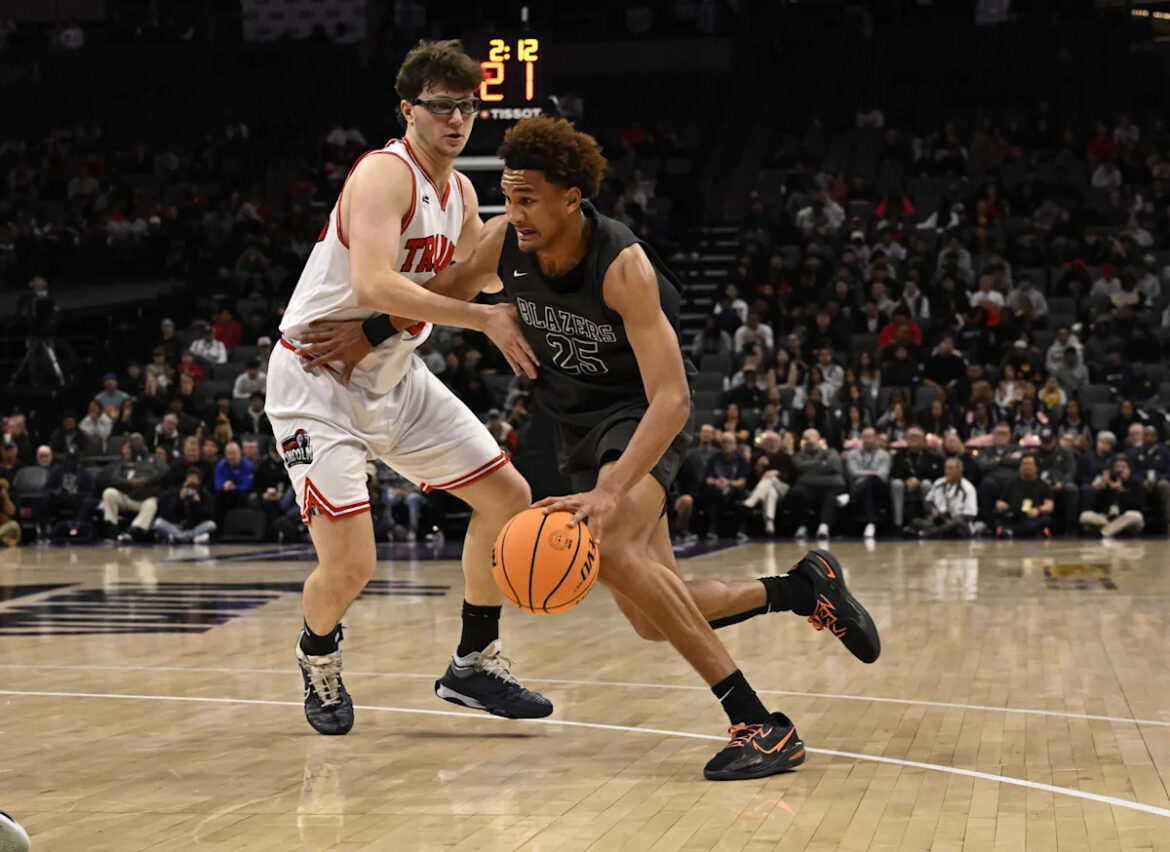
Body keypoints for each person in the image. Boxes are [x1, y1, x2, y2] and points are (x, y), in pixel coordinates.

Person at [299, 115, 880, 780]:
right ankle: (801, 589)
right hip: (576, 427)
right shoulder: (504, 241)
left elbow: (673, 399)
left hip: (640, 417)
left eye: (528, 199)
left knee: (607, 547)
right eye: (508, 197)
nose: (514, 213)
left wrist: (610, 490)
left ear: (571, 197)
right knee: (655, 616)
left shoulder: (621, 265)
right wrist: (369, 332)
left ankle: (761, 725)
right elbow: (443, 295)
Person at [262, 41, 550, 737]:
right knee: (351, 565)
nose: (457, 119)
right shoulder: (384, 174)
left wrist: (525, 243)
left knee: (508, 497)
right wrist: (483, 318)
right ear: (408, 111)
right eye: (442, 106)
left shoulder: (462, 193)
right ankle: (317, 651)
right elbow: (374, 285)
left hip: (393, 372)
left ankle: (474, 663)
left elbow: (467, 277)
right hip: (317, 380)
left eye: (467, 107)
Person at [100, 433, 167, 543]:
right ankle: (112, 528)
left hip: (145, 498)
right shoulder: (125, 462)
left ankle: (134, 531)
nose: (136, 444)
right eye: (133, 441)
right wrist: (130, 483)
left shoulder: (154, 459)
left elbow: (164, 473)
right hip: (128, 497)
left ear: (143, 443)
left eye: (138, 440)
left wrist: (146, 481)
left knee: (151, 504)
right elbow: (114, 479)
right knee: (109, 493)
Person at [789, 427, 847, 541]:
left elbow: (834, 466)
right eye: (806, 438)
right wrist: (822, 464)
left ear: (819, 439)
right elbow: (799, 466)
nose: (809, 441)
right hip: (809, 488)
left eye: (812, 437)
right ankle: (802, 526)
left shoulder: (831, 452)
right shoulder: (798, 455)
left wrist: (809, 472)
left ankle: (824, 527)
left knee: (831, 494)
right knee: (796, 492)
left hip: (828, 486)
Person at [741, 430, 794, 536]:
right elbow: (750, 481)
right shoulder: (758, 457)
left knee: (770, 478)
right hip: (766, 490)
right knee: (771, 492)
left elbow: (792, 477)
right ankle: (769, 523)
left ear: (779, 443)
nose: (772, 444)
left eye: (774, 442)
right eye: (769, 442)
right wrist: (758, 468)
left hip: (783, 488)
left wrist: (777, 473)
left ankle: (752, 501)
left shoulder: (786, 457)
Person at [912, 457, 978, 538]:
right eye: (946, 469)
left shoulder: (968, 488)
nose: (948, 472)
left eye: (951, 469)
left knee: (956, 523)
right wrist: (933, 510)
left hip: (959, 523)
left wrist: (950, 519)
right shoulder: (938, 483)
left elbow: (970, 515)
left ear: (960, 471)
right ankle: (933, 532)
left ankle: (928, 533)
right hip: (940, 520)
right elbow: (929, 501)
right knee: (916, 521)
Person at [890, 426, 942, 529]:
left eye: (917, 437)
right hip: (905, 485)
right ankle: (898, 523)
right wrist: (907, 480)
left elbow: (936, 475)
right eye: (911, 437)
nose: (914, 440)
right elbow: (895, 473)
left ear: (923, 440)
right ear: (906, 439)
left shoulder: (933, 456)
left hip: (924, 485)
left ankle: (930, 519)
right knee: (897, 484)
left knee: (926, 484)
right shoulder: (899, 455)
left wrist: (918, 480)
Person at [1080, 456, 1146, 537]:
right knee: (1085, 516)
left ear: (1129, 470)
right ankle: (1112, 530)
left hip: (1125, 518)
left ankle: (1105, 532)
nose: (1120, 470)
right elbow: (1097, 508)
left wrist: (1121, 490)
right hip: (1107, 518)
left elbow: (1137, 505)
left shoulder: (1136, 484)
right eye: (1117, 467)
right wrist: (1103, 489)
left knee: (1136, 516)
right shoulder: (1108, 483)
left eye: (1123, 467)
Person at [845, 426, 890, 539]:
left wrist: (868, 476)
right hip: (859, 485)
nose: (867, 440)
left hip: (879, 487)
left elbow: (883, 474)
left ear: (876, 438)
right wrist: (872, 473)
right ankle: (871, 523)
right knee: (869, 483)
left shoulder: (884, 455)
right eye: (865, 437)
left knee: (872, 480)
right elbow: (853, 472)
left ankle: (849, 496)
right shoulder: (853, 454)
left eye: (870, 437)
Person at [702, 431, 750, 540]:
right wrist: (717, 482)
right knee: (711, 493)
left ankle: (741, 530)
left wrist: (729, 483)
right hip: (718, 488)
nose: (726, 445)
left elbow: (742, 481)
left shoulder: (741, 459)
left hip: (734, 489)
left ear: (735, 444)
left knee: (742, 494)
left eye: (729, 442)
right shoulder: (714, 458)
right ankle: (711, 529)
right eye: (724, 442)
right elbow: (708, 479)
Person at [153, 467, 218, 544]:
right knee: (158, 523)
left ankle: (178, 538)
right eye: (190, 478)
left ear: (199, 481)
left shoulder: (204, 495)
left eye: (195, 478)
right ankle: (189, 538)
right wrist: (179, 500)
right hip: (177, 526)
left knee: (211, 525)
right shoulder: (178, 491)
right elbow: (170, 513)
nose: (192, 481)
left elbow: (208, 515)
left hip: (194, 526)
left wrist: (198, 503)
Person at [994, 455, 1053, 538]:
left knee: (1044, 519)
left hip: (1032, 516)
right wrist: (1001, 505)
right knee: (999, 517)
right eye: (1024, 464)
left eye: (1029, 464)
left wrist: (1038, 510)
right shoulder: (1010, 483)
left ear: (1036, 468)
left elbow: (1049, 505)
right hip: (1014, 515)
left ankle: (1012, 532)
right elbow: (1001, 501)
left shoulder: (1044, 486)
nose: (1026, 467)